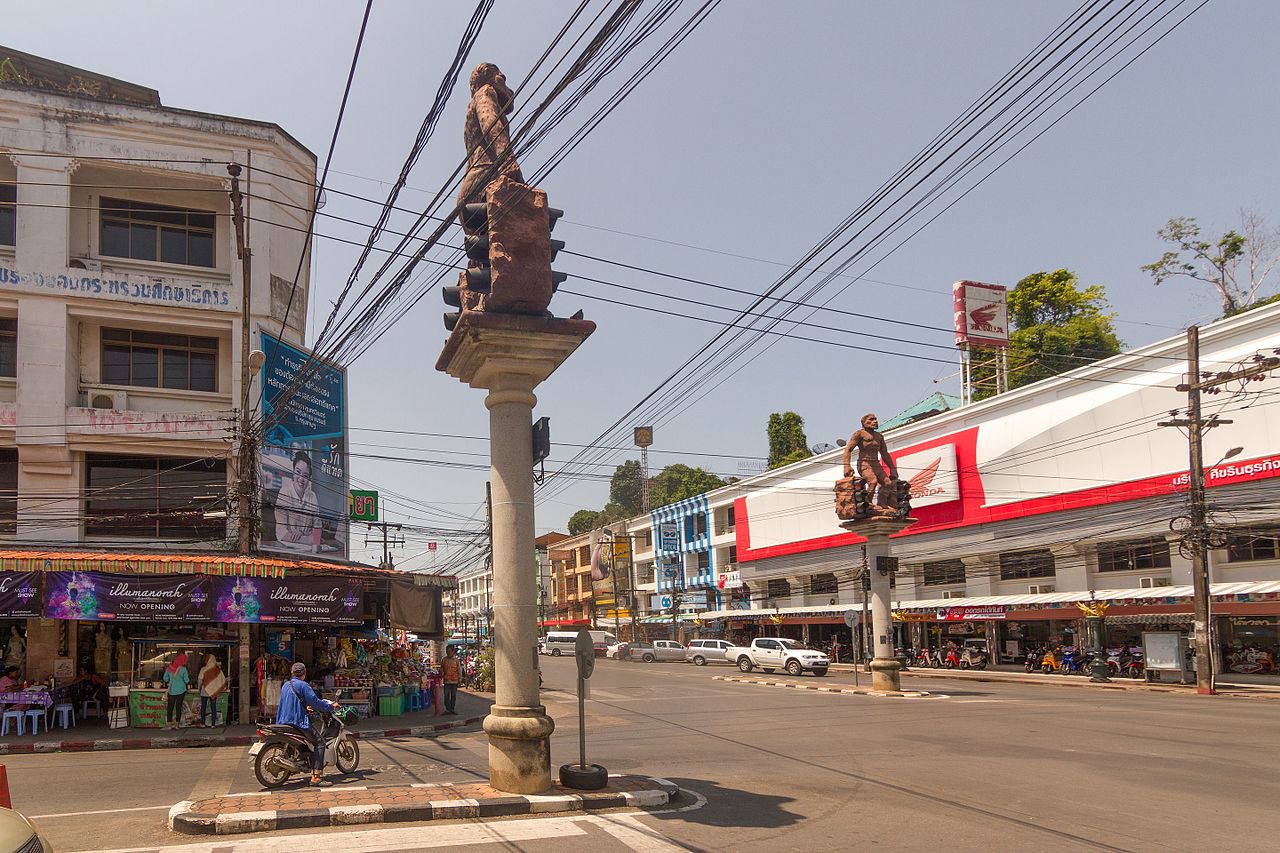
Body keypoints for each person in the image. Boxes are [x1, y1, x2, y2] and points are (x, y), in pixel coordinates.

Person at [275, 662, 336, 787]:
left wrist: (304, 707)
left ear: (292, 673)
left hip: (283, 720)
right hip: (298, 721)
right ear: (304, 673)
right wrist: (330, 706)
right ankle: (316, 777)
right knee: (320, 742)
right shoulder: (304, 685)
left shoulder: (285, 685)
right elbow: (315, 702)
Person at [842, 413, 900, 514]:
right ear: (864, 423)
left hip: (876, 464)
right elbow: (848, 450)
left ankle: (882, 504)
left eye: (875, 419)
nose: (875, 421)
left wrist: (893, 469)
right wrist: (847, 466)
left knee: (887, 483)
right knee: (872, 482)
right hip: (864, 463)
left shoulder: (879, 436)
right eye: (871, 420)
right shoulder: (859, 434)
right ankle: (868, 503)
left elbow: (884, 454)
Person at [274, 450, 320, 546]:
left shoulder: (312, 496)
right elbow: (281, 533)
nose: (301, 479)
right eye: (298, 472)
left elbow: (317, 530)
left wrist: (302, 534)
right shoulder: (284, 492)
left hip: (309, 551)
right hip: (285, 548)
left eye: (305, 476)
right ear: (293, 472)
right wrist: (308, 540)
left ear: (309, 479)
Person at [197, 653, 226, 728]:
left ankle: (203, 723)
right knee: (213, 707)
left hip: (204, 691)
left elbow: (199, 680)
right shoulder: (217, 669)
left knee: (203, 707)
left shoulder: (203, 669)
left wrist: (199, 688)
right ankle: (213, 724)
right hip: (214, 691)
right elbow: (222, 680)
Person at [162, 653, 190, 730]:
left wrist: (170, 679)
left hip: (172, 691)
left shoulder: (169, 668)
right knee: (178, 707)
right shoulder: (183, 669)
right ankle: (177, 725)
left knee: (170, 707)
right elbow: (187, 680)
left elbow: (165, 679)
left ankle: (169, 725)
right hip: (181, 690)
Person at [440, 646, 461, 715]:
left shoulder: (456, 660)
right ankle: (447, 709)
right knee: (446, 695)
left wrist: (460, 679)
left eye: (449, 651)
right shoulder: (444, 660)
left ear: (453, 651)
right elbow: (442, 668)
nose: (448, 652)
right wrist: (441, 672)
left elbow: (459, 670)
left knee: (453, 696)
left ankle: (452, 709)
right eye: (447, 651)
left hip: (454, 681)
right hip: (447, 681)